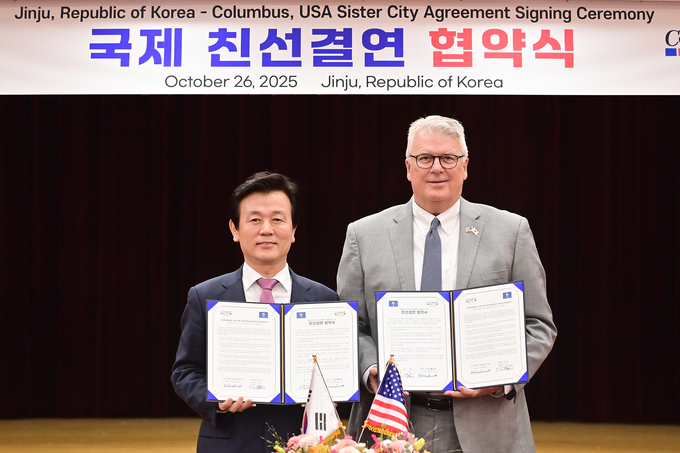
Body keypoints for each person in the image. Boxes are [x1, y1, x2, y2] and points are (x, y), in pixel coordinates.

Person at [337, 115, 557, 453]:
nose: (437, 168)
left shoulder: (511, 231)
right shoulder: (363, 235)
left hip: (488, 425)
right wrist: (371, 370)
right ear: (408, 167)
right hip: (391, 422)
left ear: (465, 166)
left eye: (449, 158)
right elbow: (351, 324)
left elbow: (538, 325)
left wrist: (500, 379)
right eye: (425, 158)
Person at [172, 171, 339, 453]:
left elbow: (337, 374)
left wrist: (334, 392)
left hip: (304, 443)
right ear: (234, 230)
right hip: (228, 442)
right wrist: (217, 401)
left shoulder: (324, 299)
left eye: (277, 219)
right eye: (254, 220)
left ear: (294, 229)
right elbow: (185, 371)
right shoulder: (205, 296)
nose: (266, 229)